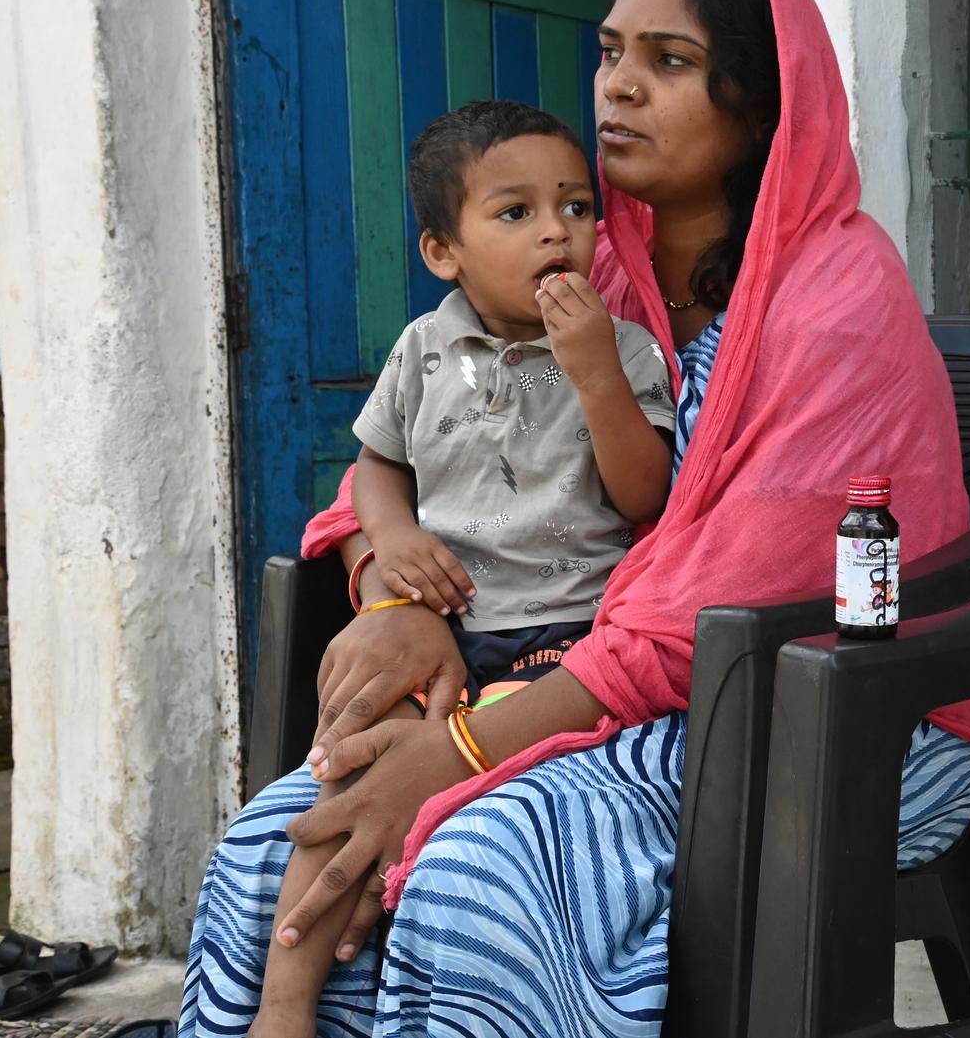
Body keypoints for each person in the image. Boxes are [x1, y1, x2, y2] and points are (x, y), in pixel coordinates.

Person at [181, 0, 970, 1038]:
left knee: (477, 867)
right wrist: (395, 597)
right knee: (270, 846)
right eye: (611, 52)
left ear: (762, 105)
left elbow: (727, 603)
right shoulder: (588, 268)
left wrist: (459, 753)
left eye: (669, 60)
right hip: (577, 679)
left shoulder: (835, 301)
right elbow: (399, 464)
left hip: (823, 711)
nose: (617, 85)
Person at [249, 100, 676, 1038]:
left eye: (575, 206)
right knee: (349, 783)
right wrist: (392, 536)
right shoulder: (423, 350)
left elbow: (644, 491)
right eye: (516, 212)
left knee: (464, 797)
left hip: (564, 643)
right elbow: (377, 465)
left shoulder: (626, 348)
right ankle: (283, 1008)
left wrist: (596, 373)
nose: (557, 231)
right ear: (444, 251)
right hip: (445, 637)